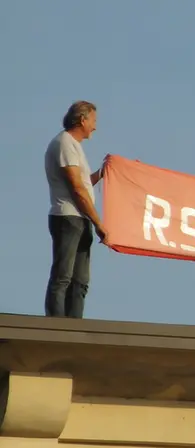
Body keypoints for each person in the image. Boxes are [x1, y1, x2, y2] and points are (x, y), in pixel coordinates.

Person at [44, 100, 107, 319]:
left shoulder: (74, 147)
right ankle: (56, 327)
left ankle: (74, 327)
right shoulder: (65, 143)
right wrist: (99, 222)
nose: (95, 127)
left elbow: (84, 184)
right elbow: (77, 188)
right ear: (82, 119)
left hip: (81, 218)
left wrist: (101, 173)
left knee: (80, 280)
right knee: (64, 275)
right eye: (93, 120)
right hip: (68, 217)